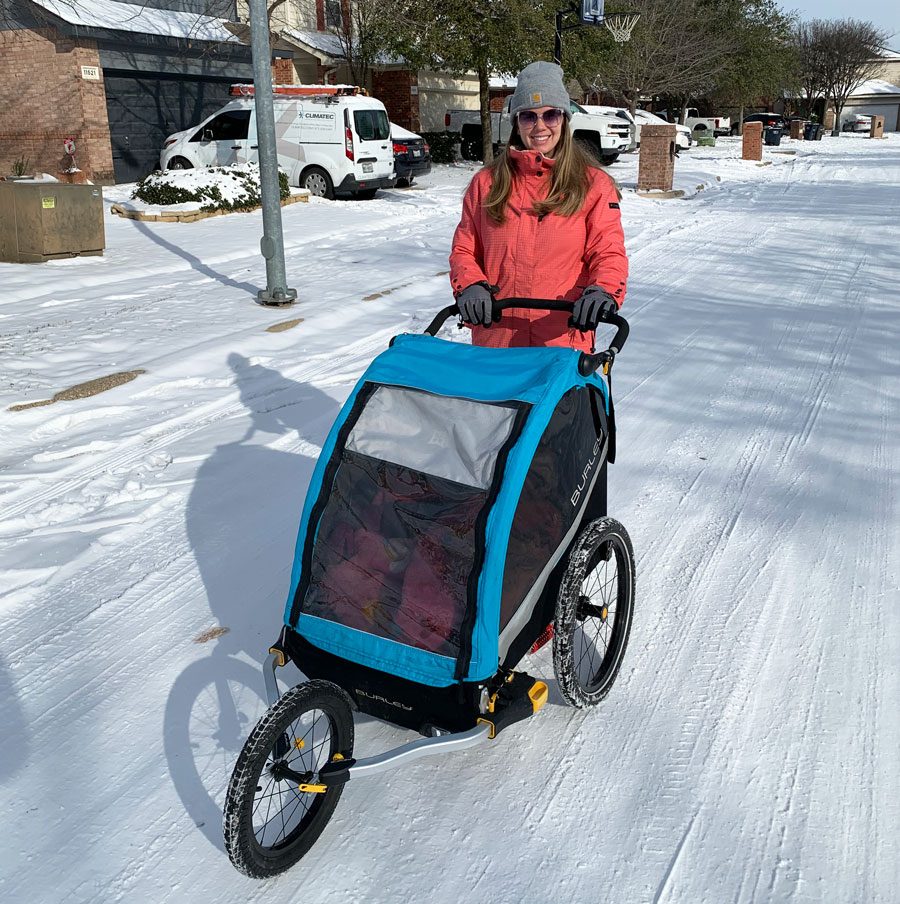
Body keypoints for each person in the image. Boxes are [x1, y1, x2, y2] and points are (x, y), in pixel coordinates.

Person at [449, 61, 628, 351]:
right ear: (516, 123)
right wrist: (470, 284)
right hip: (497, 339)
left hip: (561, 340)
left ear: (565, 119)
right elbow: (464, 249)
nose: (540, 126)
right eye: (528, 116)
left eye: (551, 114)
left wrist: (603, 290)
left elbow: (608, 252)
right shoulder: (487, 183)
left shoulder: (593, 185)